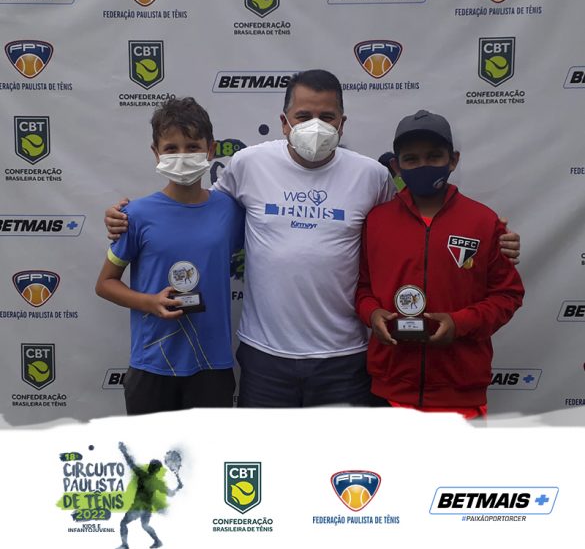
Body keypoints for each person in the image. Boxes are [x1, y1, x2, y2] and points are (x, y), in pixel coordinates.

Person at [104, 70, 520, 408]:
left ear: (343, 123)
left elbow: (415, 224)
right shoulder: (248, 164)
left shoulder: (371, 176)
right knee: (268, 468)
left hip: (344, 357)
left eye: (327, 116)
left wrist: (488, 234)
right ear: (284, 121)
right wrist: (127, 218)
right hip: (265, 356)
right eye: (303, 116)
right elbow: (196, 211)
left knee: (335, 468)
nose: (315, 125)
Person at [355, 109, 525, 418]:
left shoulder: (483, 221)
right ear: (396, 166)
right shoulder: (376, 221)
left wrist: (460, 323)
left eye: (434, 156)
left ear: (453, 160)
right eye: (411, 159)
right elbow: (363, 288)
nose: (423, 165)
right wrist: (372, 314)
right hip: (390, 391)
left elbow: (507, 295)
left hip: (460, 394)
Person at [95, 97, 244, 415]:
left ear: (210, 149)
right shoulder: (135, 215)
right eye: (171, 148)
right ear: (156, 153)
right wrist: (150, 302)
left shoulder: (230, 210)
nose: (182, 156)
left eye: (192, 147)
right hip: (152, 365)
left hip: (212, 365)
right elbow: (105, 283)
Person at [116, 442, 183, 549]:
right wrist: (177, 488)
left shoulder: (142, 475)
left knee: (123, 523)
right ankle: (157, 541)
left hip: (138, 507)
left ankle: (125, 545)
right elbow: (170, 494)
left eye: (152, 466)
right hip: (147, 509)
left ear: (154, 469)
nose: (150, 467)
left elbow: (130, 463)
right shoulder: (157, 482)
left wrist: (123, 451)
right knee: (145, 525)